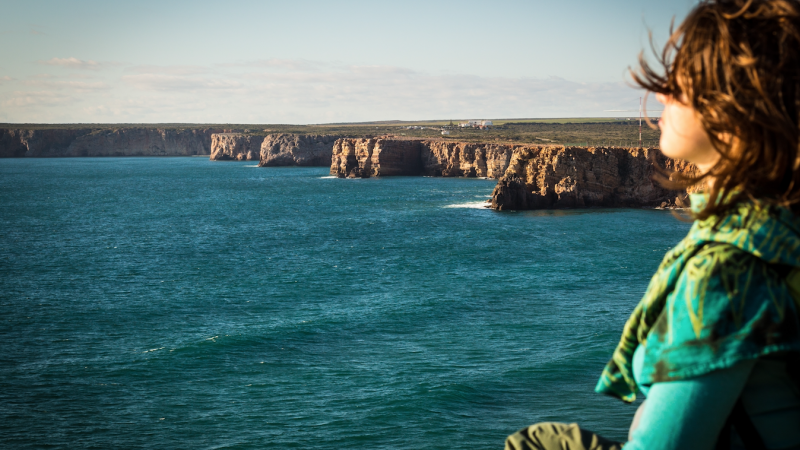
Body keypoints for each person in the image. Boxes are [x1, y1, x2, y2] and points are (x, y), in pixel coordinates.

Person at [505, 0, 800, 449]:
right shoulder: (784, 231)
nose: (661, 94)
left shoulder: (727, 273)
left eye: (679, 82)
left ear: (734, 104)